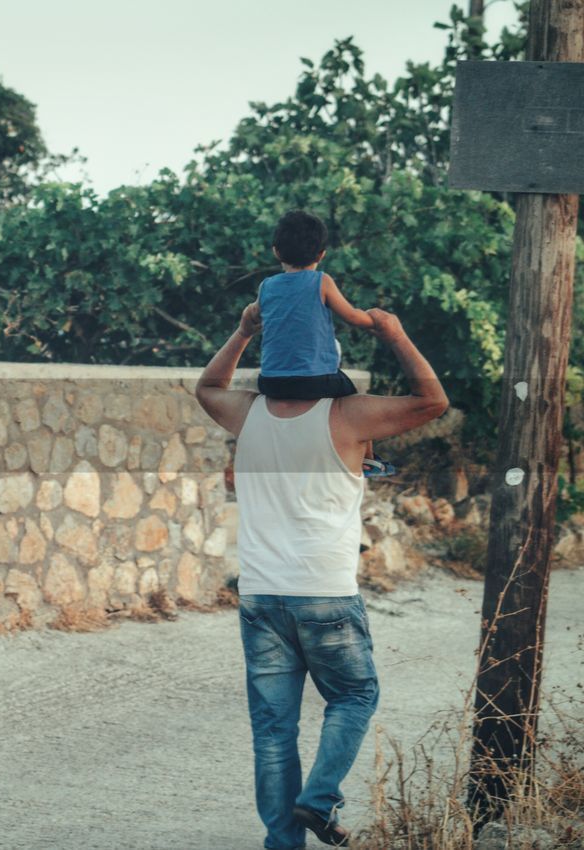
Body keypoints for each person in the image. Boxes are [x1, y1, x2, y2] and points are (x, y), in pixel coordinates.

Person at [194, 302, 448, 848]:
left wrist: (241, 331)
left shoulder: (248, 413)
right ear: (329, 372)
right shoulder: (350, 417)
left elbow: (206, 387)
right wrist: (396, 334)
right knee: (356, 697)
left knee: (273, 733)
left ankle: (283, 843)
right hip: (326, 594)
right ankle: (319, 798)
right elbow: (434, 400)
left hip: (262, 596)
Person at [254, 210, 392, 477]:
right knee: (354, 400)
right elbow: (352, 317)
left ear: (276, 252)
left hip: (270, 381)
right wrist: (375, 320)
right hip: (314, 379)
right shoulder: (322, 281)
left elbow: (257, 317)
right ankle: (369, 459)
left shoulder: (266, 286)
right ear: (321, 254)